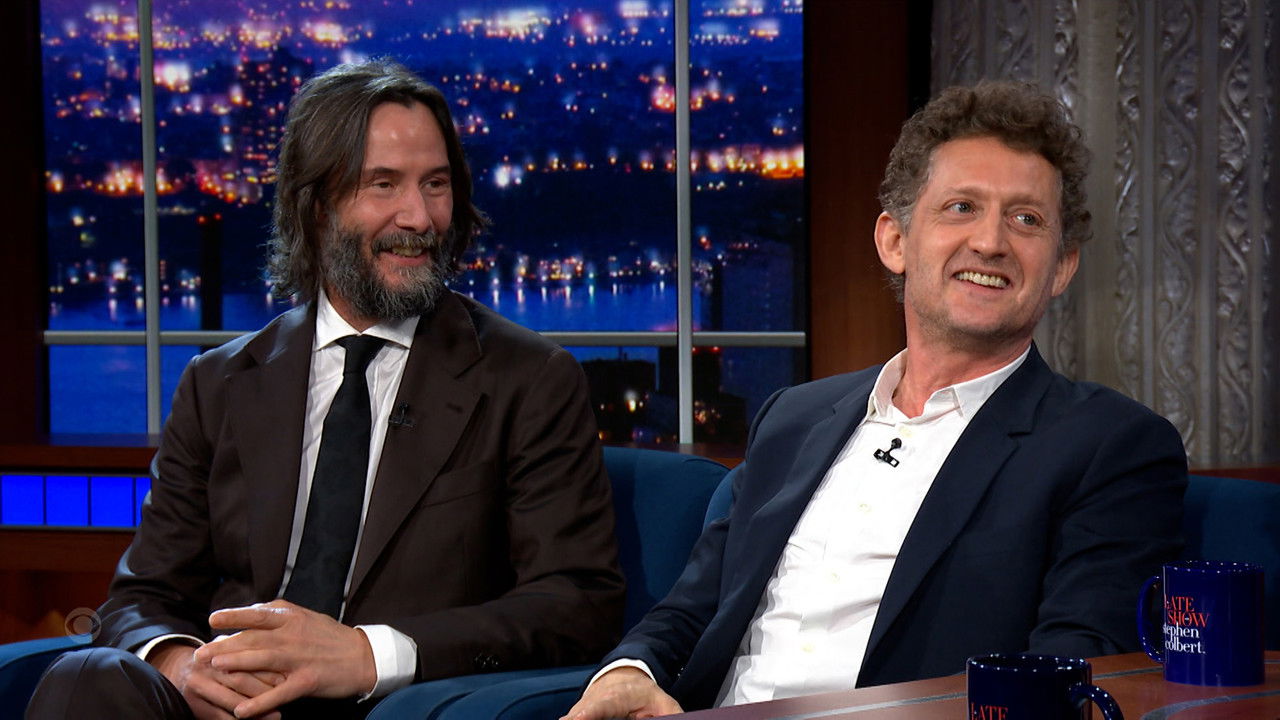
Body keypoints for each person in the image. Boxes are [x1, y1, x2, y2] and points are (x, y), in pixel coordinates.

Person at [562, 80, 1187, 719]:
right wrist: (628, 671)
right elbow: (695, 606)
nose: (991, 242)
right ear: (894, 242)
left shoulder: (1110, 447)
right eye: (961, 207)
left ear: (1062, 266)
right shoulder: (795, 417)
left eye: (1026, 219)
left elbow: (1074, 672)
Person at [27, 58, 625, 720]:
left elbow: (576, 604)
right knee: (87, 677)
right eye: (384, 185)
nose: (419, 216)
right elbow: (141, 597)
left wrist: (370, 654)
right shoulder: (219, 383)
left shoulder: (528, 379)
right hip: (230, 707)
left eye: (435, 184)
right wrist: (182, 665)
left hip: (390, 707)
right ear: (316, 207)